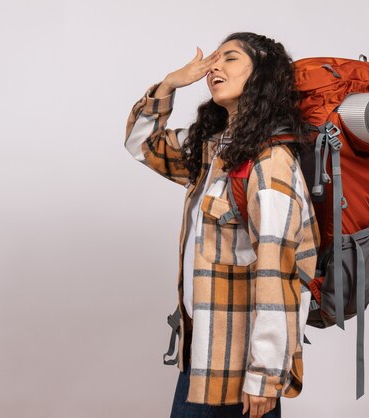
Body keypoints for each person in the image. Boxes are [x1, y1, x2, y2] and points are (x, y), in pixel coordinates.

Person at [124, 32, 319, 418]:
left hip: (241, 369)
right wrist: (169, 84)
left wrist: (264, 375)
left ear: (261, 75)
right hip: (203, 354)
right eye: (215, 58)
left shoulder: (270, 162)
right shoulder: (216, 150)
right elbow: (140, 142)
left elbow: (278, 273)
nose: (214, 66)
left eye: (229, 58)